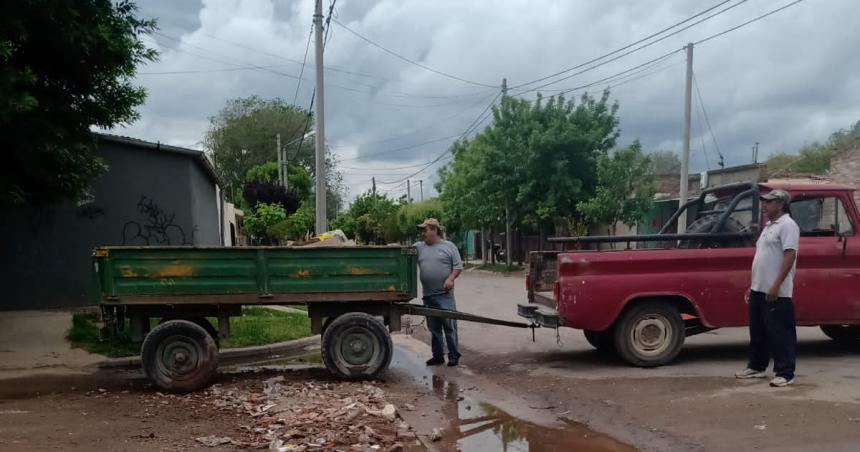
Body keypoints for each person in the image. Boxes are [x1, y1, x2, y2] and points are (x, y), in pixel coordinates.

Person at [735, 189, 800, 387]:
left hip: (776, 292)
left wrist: (776, 285)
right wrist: (752, 286)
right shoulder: (769, 226)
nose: (764, 205)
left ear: (780, 204)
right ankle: (756, 366)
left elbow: (790, 255)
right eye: (763, 201)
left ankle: (785, 372)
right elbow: (762, 259)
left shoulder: (788, 225)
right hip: (759, 289)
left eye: (769, 202)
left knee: (780, 332)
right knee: (758, 331)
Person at [414, 218, 463, 366]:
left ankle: (454, 356)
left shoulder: (449, 247)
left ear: (435, 230)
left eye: (425, 230)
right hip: (428, 295)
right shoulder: (419, 247)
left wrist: (451, 278)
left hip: (444, 295)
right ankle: (438, 356)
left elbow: (458, 266)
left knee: (449, 326)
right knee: (434, 328)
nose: (423, 233)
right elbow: (402, 251)